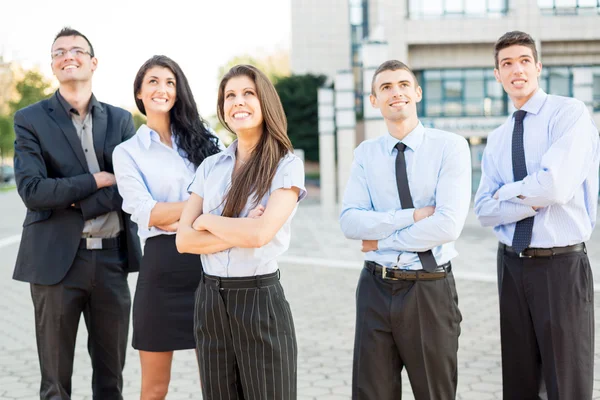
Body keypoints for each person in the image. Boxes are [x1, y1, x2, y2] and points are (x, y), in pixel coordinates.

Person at [12, 27, 142, 399]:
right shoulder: (30, 119)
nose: (68, 56)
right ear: (53, 66)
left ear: (93, 62)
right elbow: (33, 191)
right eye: (59, 52)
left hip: (113, 261)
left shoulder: (120, 120)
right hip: (55, 264)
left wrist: (70, 196)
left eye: (76, 50)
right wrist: (96, 180)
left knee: (111, 381)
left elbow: (127, 189)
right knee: (54, 384)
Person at [474, 31, 599, 400]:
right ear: (497, 74)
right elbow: (482, 210)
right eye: (507, 63)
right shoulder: (497, 137)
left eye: (524, 60)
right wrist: (532, 193)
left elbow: (556, 188)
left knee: (567, 382)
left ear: (538, 67)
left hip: (559, 267)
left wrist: (507, 193)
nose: (517, 69)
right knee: (519, 381)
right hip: (511, 265)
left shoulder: (568, 113)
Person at [339, 59, 471, 400]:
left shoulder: (450, 146)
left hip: (428, 290)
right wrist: (411, 216)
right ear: (374, 101)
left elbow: (447, 225)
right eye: (385, 87)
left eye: (402, 84)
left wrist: (380, 238)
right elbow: (350, 221)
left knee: (434, 393)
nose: (395, 92)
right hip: (374, 288)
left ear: (417, 92)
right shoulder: (366, 154)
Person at [176, 64, 306, 400]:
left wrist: (205, 221)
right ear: (222, 109)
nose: (238, 102)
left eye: (248, 93)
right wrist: (242, 227)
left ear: (265, 102)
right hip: (210, 301)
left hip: (259, 299)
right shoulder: (210, 168)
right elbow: (184, 240)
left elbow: (260, 236)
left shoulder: (285, 164)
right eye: (230, 96)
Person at [112, 55, 221, 399]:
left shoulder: (206, 140)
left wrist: (180, 214)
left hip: (211, 265)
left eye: (170, 82)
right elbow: (146, 212)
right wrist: (201, 209)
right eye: (154, 82)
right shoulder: (127, 152)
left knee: (216, 382)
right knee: (154, 388)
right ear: (140, 93)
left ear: (178, 92)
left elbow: (228, 194)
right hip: (160, 266)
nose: (163, 89)